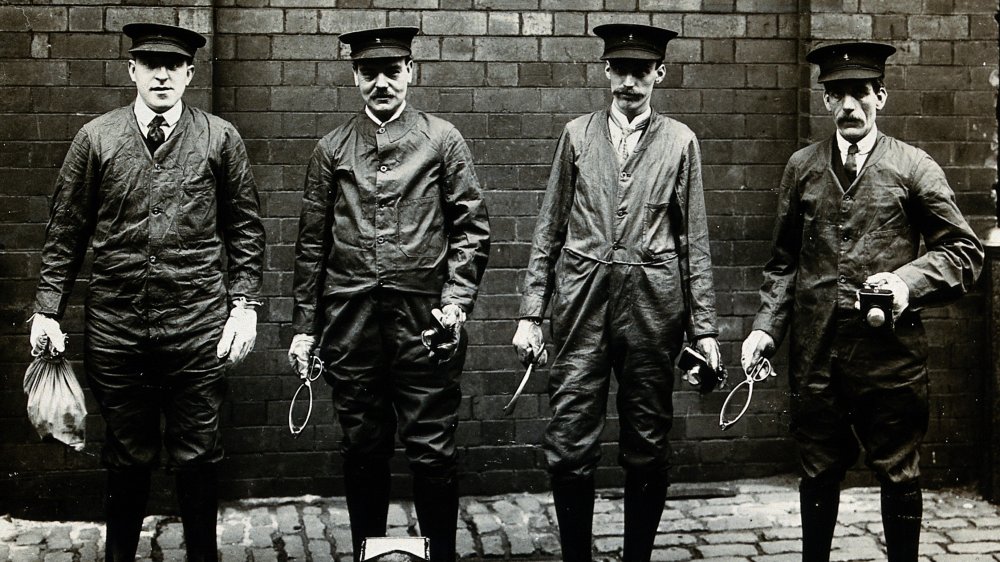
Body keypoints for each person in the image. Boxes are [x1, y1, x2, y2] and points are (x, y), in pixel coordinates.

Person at [28, 23, 265, 562]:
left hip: (197, 327)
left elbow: (246, 231)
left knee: (199, 452)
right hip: (117, 327)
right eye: (150, 63)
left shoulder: (220, 138)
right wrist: (47, 309)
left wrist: (244, 306)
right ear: (132, 69)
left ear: (189, 72)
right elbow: (65, 230)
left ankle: (202, 555)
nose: (162, 74)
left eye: (173, 65)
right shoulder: (97, 138)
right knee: (126, 452)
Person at [740, 41, 983, 562]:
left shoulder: (913, 168)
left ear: (882, 96)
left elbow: (964, 252)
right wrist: (765, 328)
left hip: (889, 357)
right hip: (816, 354)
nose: (849, 106)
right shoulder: (802, 168)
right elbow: (782, 264)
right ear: (826, 102)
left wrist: (906, 283)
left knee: (898, 470)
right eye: (837, 95)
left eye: (860, 94)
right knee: (817, 469)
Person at [512, 24, 721, 562]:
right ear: (606, 71)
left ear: (660, 74)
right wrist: (532, 314)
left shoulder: (680, 142)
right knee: (569, 437)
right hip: (581, 305)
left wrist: (705, 331)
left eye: (641, 71)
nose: (629, 83)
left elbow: (694, 241)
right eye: (620, 70)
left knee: (647, 440)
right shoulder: (577, 135)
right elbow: (548, 228)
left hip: (653, 308)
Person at [287, 26, 490, 562]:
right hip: (350, 324)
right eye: (370, 73)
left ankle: (439, 555)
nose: (382, 83)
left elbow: (472, 228)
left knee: (431, 449)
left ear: (410, 73)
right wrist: (306, 327)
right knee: (363, 446)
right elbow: (311, 246)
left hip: (424, 322)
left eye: (392, 71)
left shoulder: (442, 140)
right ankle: (368, 554)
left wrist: (455, 301)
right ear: (355, 77)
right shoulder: (331, 149)